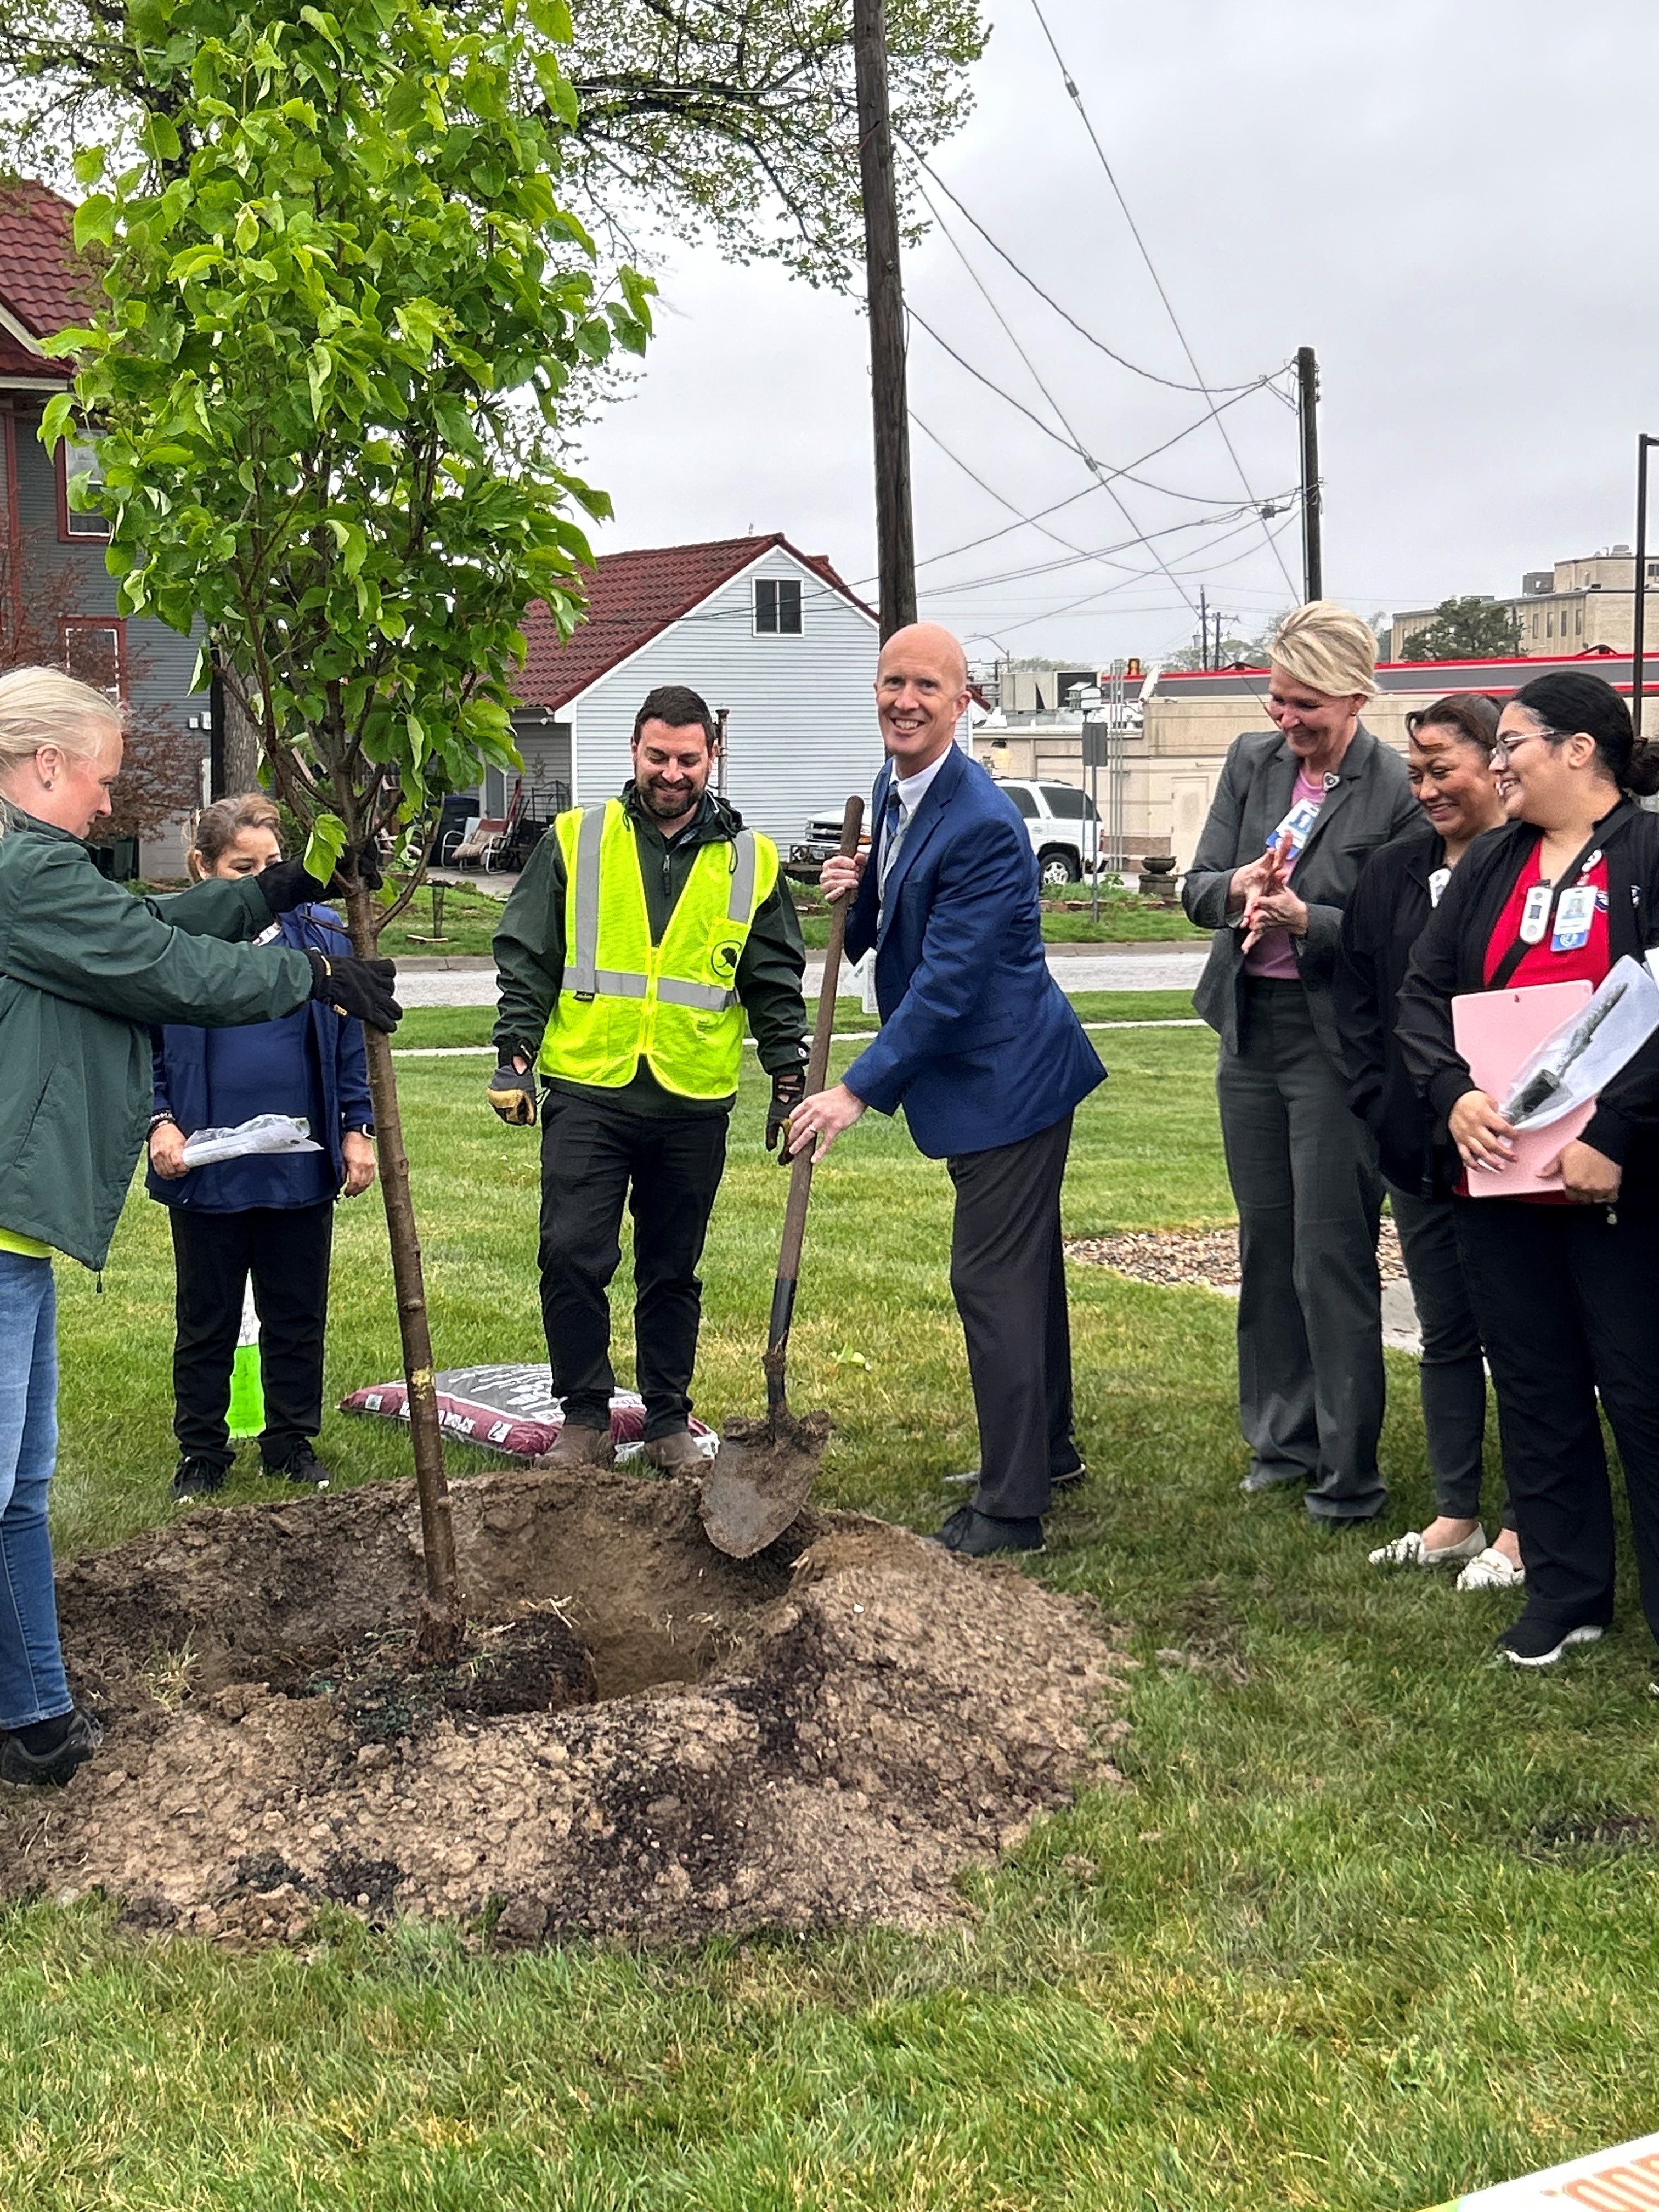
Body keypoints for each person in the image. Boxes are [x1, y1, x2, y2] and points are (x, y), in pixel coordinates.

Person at [0, 667, 400, 1786]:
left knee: (19, 1495)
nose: (107, 803)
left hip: (15, 1241)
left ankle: (35, 1723)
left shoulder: (43, 875)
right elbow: (162, 963)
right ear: (46, 765)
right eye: (102, 778)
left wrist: (284, 893)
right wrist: (313, 976)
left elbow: (149, 921)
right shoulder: (20, 872)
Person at [784, 622, 1105, 1558]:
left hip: (1008, 1079)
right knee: (1023, 1273)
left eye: (927, 686)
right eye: (891, 682)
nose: (904, 701)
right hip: (991, 1076)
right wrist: (866, 885)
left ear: (963, 703)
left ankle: (1009, 1511)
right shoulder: (897, 786)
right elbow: (899, 923)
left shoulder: (981, 823)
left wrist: (853, 1089)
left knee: (990, 1278)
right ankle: (1044, 1452)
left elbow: (948, 986)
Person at [1396, 670, 1659, 1671]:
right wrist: (1450, 1093)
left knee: (1638, 1390)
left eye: (1509, 744)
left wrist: (1620, 1135)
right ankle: (1564, 1592)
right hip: (1500, 1174)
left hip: (1617, 1180)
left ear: (1578, 750)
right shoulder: (1491, 863)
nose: (1493, 762)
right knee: (1538, 1384)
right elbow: (1423, 990)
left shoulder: (1644, 851)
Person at [489, 684, 808, 1474]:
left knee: (672, 1267)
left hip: (693, 1096)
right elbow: (529, 955)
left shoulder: (752, 860)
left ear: (713, 758)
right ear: (634, 752)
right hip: (591, 1088)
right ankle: (585, 1418)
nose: (672, 773)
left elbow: (773, 978)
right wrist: (515, 1055)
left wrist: (789, 1072)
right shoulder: (575, 839)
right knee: (570, 1253)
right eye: (658, 757)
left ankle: (668, 1419)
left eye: (689, 760)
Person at [1182, 601, 1419, 1523]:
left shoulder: (1394, 789)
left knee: (1330, 1252)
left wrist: (1306, 922)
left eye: (1306, 706)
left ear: (1356, 695)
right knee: (1266, 1244)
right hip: (1249, 1031)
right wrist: (1237, 887)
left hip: (1334, 1047)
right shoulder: (1250, 763)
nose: (1287, 721)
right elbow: (1198, 887)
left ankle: (1347, 1470)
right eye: (1277, 701)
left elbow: (1395, 931)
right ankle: (1279, 1440)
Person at [1333, 694, 1521, 1589]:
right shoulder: (1390, 872)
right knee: (1444, 1334)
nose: (1424, 789)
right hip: (1413, 1144)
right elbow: (1361, 1004)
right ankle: (1453, 1515)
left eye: (1440, 768)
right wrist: (1376, 1103)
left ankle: (1525, 1528)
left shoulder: (1534, 867)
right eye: (1412, 773)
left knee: (1525, 1337)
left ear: (1495, 762)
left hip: (1506, 1146)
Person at [146, 794, 379, 1499]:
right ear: (204, 868)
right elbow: (146, 1044)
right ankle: (203, 1450)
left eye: (274, 865)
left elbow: (349, 1042)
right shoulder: (173, 947)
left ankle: (290, 1441)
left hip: (298, 1165)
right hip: (206, 1166)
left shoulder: (322, 937)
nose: (261, 878)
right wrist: (160, 1120)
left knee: (297, 1308)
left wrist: (356, 1126)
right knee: (208, 1314)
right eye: (242, 867)